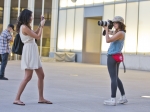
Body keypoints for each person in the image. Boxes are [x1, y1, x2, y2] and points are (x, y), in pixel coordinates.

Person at [13, 9, 52, 105]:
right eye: (31, 16)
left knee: (41, 75)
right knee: (28, 77)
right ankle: (16, 98)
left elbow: (35, 34)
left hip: (33, 51)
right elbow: (38, 37)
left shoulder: (26, 27)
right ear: (27, 17)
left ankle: (41, 98)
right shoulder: (24, 27)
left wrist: (40, 25)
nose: (32, 17)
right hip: (29, 52)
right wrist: (42, 26)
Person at [103, 16, 128, 106]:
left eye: (116, 23)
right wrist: (106, 28)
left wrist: (106, 30)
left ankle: (112, 99)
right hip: (116, 56)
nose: (114, 24)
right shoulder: (119, 32)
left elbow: (107, 40)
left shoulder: (120, 33)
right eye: (113, 23)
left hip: (112, 56)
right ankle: (123, 97)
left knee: (113, 78)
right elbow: (110, 32)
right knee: (116, 78)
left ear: (120, 23)